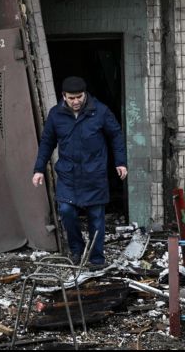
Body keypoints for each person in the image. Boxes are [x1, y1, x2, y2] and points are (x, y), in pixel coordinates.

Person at [32, 76, 127, 268]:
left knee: (96, 219)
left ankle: (97, 258)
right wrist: (39, 169)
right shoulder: (56, 115)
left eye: (79, 97)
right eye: (71, 98)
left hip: (95, 174)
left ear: (85, 95)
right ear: (63, 96)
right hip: (68, 175)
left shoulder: (99, 111)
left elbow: (116, 134)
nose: (76, 102)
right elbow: (47, 142)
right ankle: (76, 249)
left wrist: (120, 162)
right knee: (66, 212)